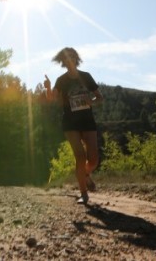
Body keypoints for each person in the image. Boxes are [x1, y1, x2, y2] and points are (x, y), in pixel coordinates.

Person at [43, 47, 103, 205]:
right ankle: (83, 194)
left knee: (94, 160)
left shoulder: (86, 76)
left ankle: (85, 174)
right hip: (70, 122)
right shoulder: (61, 80)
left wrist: (92, 101)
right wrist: (48, 88)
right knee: (80, 157)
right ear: (63, 62)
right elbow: (51, 100)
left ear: (76, 59)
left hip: (87, 120)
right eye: (65, 58)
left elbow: (100, 98)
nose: (68, 60)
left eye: (71, 57)